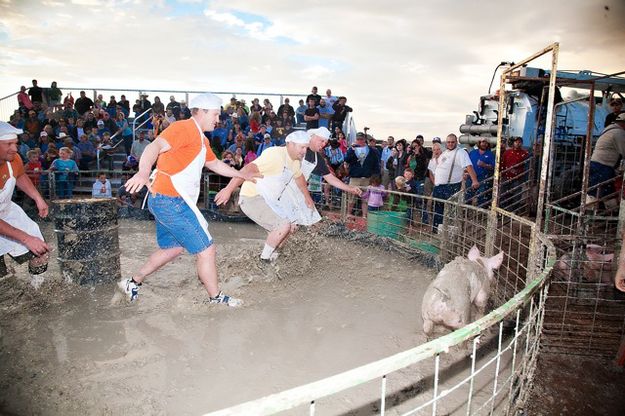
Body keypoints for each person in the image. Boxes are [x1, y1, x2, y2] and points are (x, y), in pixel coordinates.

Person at [121, 93, 258, 305]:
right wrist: (142, 172)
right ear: (201, 111)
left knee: (173, 249)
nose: (218, 119)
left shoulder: (201, 139)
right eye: (215, 114)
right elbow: (153, 147)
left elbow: (215, 165)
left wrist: (242, 174)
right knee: (206, 249)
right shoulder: (183, 128)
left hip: (167, 199)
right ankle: (216, 298)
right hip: (170, 200)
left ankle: (132, 281)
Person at [215, 131, 317, 262]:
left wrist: (307, 198)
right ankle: (263, 261)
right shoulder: (274, 154)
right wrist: (228, 189)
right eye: (302, 147)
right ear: (290, 144)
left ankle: (273, 257)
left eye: (306, 148)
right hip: (253, 196)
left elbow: (299, 178)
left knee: (291, 227)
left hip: (270, 200)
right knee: (283, 225)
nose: (304, 151)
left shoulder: (296, 161)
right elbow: (247, 169)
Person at [0, 122, 50, 282]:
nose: (14, 149)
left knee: (40, 251)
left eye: (15, 143)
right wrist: (26, 238)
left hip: (6, 210)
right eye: (8, 144)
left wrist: (37, 197)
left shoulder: (14, 159)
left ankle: (38, 289)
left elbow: (20, 176)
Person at [432, 134, 479, 231]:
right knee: (438, 209)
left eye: (452, 142)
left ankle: (448, 233)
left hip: (450, 187)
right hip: (438, 187)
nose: (450, 144)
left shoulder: (461, 152)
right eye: (448, 142)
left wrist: (474, 180)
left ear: (456, 142)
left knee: (450, 212)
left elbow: (468, 166)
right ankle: (436, 230)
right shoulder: (444, 153)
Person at [587, 113, 625, 206]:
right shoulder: (619, 133)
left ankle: (608, 214)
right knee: (599, 193)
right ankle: (590, 215)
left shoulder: (609, 130)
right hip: (603, 166)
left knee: (601, 191)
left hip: (596, 163)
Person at [344, 132, 380, 216]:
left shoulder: (372, 151)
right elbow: (346, 159)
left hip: (367, 178)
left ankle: (364, 216)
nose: (359, 141)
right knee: (351, 198)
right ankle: (348, 214)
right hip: (355, 178)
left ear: (365, 140)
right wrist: (351, 150)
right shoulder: (352, 149)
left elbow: (376, 164)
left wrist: (376, 177)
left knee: (366, 199)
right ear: (355, 140)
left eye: (361, 139)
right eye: (358, 139)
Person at [500, 136, 530, 210]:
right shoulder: (507, 152)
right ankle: (503, 209)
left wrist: (519, 172)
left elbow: (526, 166)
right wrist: (502, 174)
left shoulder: (525, 153)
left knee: (517, 194)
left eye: (519, 142)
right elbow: (502, 164)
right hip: (506, 176)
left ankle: (514, 210)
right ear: (513, 143)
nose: (518, 144)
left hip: (518, 178)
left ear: (522, 143)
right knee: (504, 193)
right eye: (516, 142)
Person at [466, 138, 495, 207]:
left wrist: (484, 165)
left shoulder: (490, 154)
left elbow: (493, 167)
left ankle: (481, 214)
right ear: (479, 143)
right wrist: (466, 173)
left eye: (486, 143)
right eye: (482, 142)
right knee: (467, 197)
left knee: (482, 197)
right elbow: (467, 165)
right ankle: (466, 213)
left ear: (488, 144)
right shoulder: (472, 152)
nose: (484, 144)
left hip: (483, 179)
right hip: (471, 178)